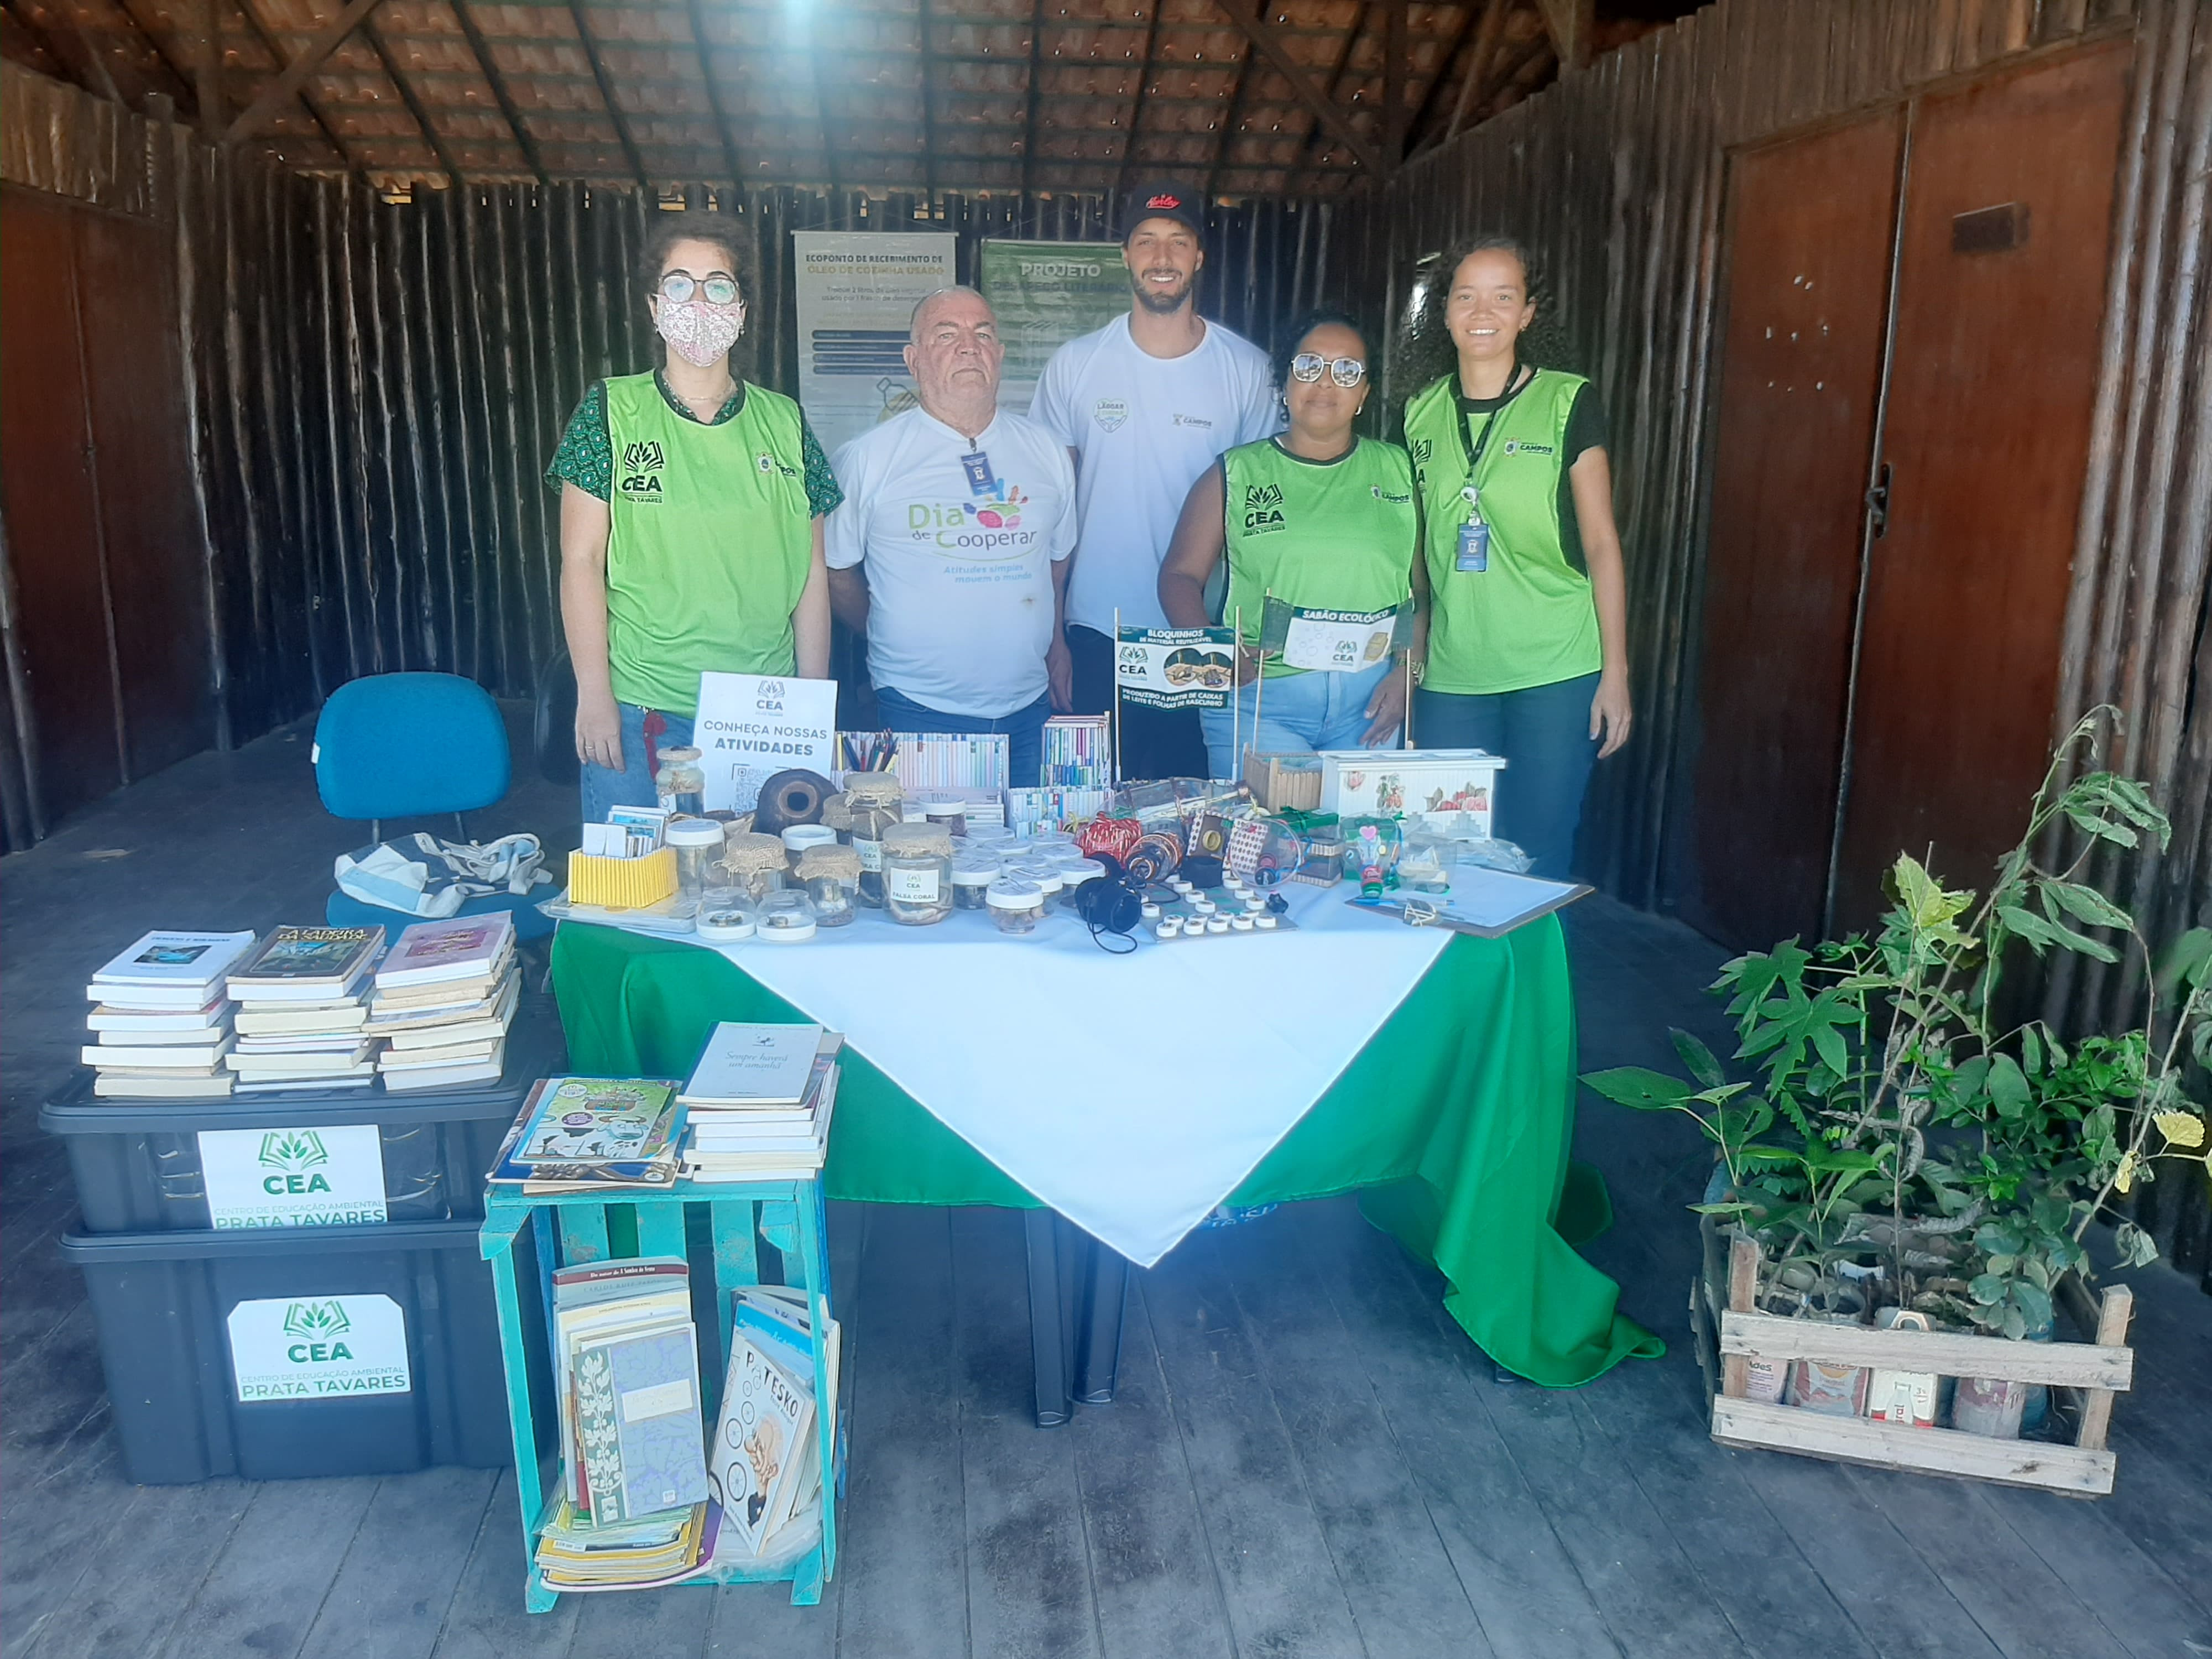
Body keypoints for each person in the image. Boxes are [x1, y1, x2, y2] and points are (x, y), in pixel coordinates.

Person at [549, 216, 839, 821]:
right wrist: (593, 693)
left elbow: (811, 570)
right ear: (655, 307)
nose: (699, 301)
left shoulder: (784, 421)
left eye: (718, 285)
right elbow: (580, 562)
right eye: (680, 285)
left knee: (754, 889)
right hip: (642, 707)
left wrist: (812, 701)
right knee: (636, 896)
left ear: (743, 307)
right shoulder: (611, 410)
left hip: (762, 712)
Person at [1029, 180, 1279, 780]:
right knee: (1091, 810)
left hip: (1201, 631)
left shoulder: (1245, 369)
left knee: (1191, 814)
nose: (1161, 257)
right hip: (1095, 630)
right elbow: (1050, 513)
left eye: (1177, 241)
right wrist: (1053, 634)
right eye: (1146, 241)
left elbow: (1264, 512)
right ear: (1125, 255)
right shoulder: (1076, 363)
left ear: (1199, 256)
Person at [1401, 236, 1631, 879]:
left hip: (1555, 670)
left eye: (1504, 296)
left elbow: (1600, 543)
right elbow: (1419, 556)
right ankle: (1466, 984)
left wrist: (1614, 671)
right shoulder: (1417, 413)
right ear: (1444, 311)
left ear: (1527, 314)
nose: (1484, 311)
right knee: (1443, 856)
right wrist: (1410, 659)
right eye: (1466, 295)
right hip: (1453, 674)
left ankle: (1532, 983)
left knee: (1539, 855)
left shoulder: (1566, 400)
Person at [825, 288, 1077, 787]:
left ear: (999, 356)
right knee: (925, 856)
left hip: (1029, 708)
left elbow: (1057, 558)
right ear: (913, 361)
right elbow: (835, 569)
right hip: (918, 709)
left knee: (1031, 858)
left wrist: (1056, 641)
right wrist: (888, 628)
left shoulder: (1047, 452)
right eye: (947, 335)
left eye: (983, 334)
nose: (968, 346)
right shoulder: (869, 458)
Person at [1157, 311, 1417, 779]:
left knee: (1364, 848)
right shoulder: (1235, 473)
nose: (1326, 383)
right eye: (1310, 366)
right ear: (1286, 382)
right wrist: (1216, 651)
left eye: (1346, 372)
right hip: (1259, 707)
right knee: (1268, 847)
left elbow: (1419, 590)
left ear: (1364, 394)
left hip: (1369, 712)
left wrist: (1408, 677)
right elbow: (1178, 577)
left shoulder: (1398, 469)